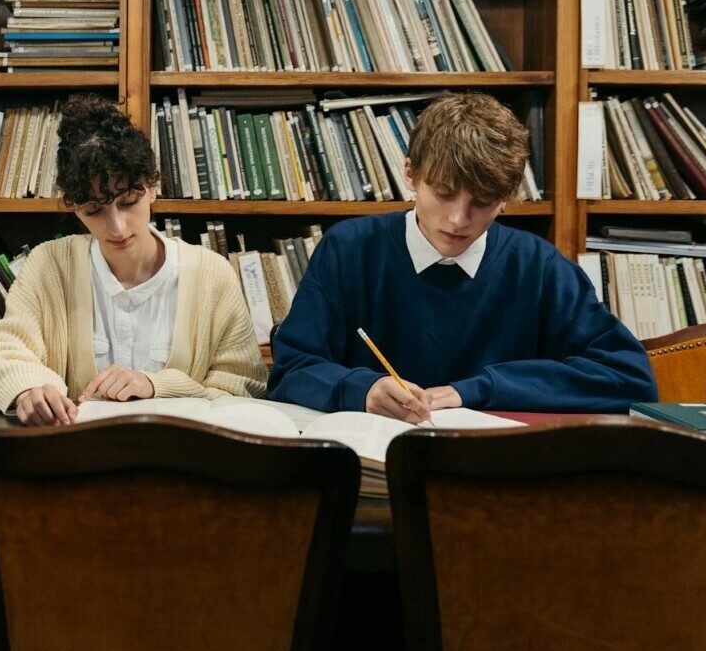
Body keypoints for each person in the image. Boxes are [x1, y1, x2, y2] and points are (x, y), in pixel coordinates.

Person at [268, 92, 656, 421]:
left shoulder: (538, 266)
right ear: (410, 174)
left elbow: (628, 377)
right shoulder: (350, 248)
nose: (458, 220)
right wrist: (363, 390)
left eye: (483, 202)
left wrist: (477, 390)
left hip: (493, 476)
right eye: (443, 192)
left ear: (506, 199)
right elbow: (291, 371)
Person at [0, 94, 266, 425]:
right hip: (79, 459)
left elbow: (243, 388)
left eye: (128, 202)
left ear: (152, 186)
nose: (116, 227)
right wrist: (28, 388)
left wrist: (155, 386)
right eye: (94, 211)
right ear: (74, 207)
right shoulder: (49, 265)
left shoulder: (212, 275)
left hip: (183, 462)